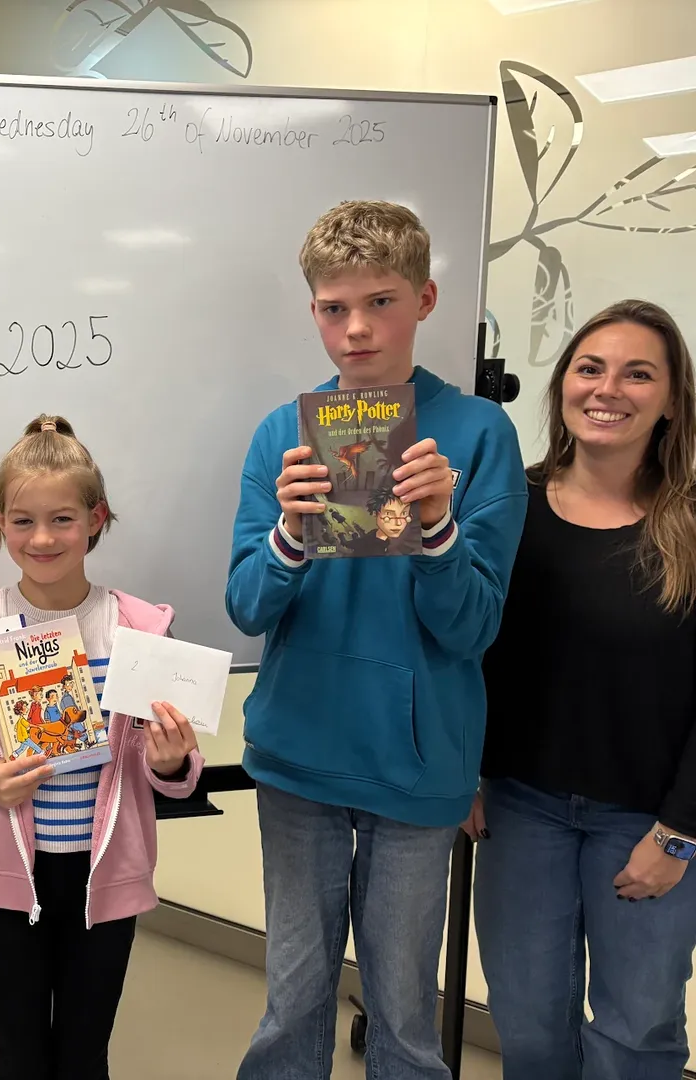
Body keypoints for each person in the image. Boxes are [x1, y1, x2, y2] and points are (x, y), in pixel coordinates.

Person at [225, 201, 527, 1079]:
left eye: (381, 302)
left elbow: (474, 625)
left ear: (425, 300)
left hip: (417, 766)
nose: (355, 328)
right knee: (291, 1004)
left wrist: (438, 529)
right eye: (334, 308)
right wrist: (288, 534)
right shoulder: (283, 433)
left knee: (403, 1016)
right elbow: (246, 606)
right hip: (299, 754)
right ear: (314, 311)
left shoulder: (479, 434)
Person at [0, 414, 204, 1080]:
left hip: (107, 875)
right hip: (8, 883)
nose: (42, 538)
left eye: (62, 519)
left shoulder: (141, 631)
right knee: (19, 1055)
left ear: (96, 518)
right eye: (23, 521)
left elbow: (172, 756)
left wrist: (172, 760)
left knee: (86, 1055)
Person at [472, 299, 696, 1080]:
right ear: (563, 382)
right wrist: (463, 772)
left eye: (639, 374)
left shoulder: (689, 524)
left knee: (636, 1034)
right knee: (529, 1026)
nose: (608, 389)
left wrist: (680, 833)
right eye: (590, 368)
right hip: (520, 810)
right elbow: (468, 651)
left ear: (672, 401)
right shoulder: (508, 507)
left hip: (649, 824)